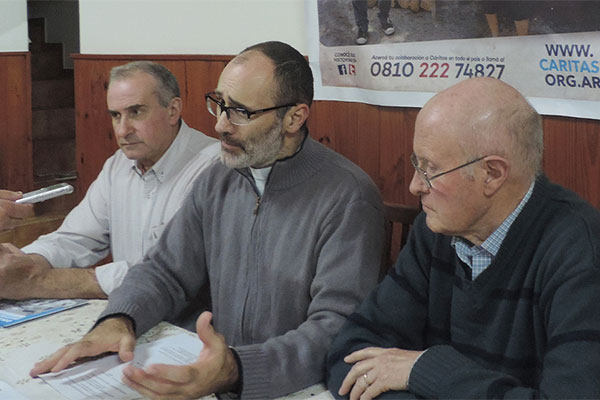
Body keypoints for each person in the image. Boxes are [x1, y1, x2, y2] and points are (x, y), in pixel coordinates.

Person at [30, 41, 384, 399]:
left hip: (293, 386)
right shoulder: (219, 176)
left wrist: (237, 369)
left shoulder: (347, 195)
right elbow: (165, 271)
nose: (220, 125)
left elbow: (335, 327)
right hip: (215, 372)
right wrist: (119, 319)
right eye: (219, 104)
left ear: (294, 117)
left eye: (240, 112)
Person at [327, 77, 600, 399]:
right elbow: (352, 354)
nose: (415, 186)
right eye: (416, 164)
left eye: (430, 169)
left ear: (492, 174)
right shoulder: (437, 228)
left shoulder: (581, 252)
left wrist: (426, 370)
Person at [0, 61, 219, 299]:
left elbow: (169, 273)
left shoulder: (214, 168)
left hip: (191, 317)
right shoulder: (118, 165)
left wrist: (38, 280)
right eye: (116, 115)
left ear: (173, 110)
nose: (123, 130)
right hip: (130, 310)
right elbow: (76, 238)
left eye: (136, 112)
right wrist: (25, 263)